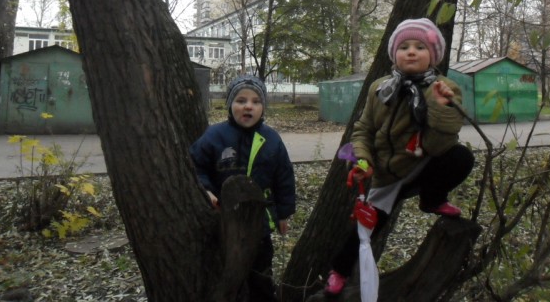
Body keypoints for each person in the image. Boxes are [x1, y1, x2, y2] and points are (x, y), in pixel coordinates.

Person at [324, 18, 475, 296]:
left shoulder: (443, 88)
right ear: (394, 54)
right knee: (367, 225)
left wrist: (440, 107)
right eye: (404, 46)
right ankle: (340, 271)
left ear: (433, 55)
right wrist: (362, 160)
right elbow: (364, 129)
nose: (412, 51)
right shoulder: (380, 88)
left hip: (423, 163)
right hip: (387, 173)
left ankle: (432, 198)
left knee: (461, 157)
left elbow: (444, 142)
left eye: (420, 46)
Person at [189, 74, 296, 302]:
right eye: (241, 100)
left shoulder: (271, 140)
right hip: (223, 220)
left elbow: (284, 177)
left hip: (260, 222)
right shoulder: (214, 136)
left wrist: (284, 213)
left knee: (260, 271)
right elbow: (195, 166)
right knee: (227, 271)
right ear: (230, 104)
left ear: (263, 108)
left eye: (256, 101)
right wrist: (205, 190)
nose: (248, 106)